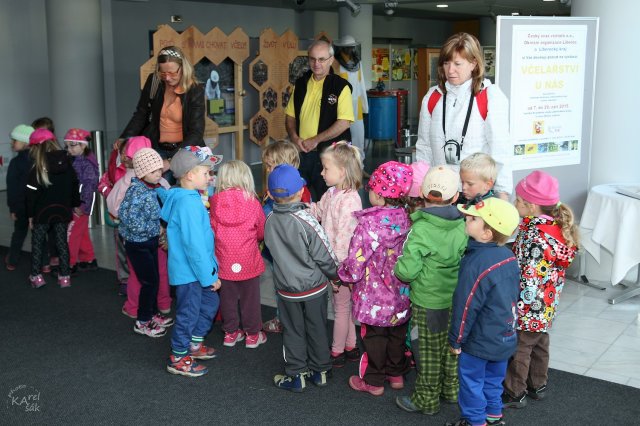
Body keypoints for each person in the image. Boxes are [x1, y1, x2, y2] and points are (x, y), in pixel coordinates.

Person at [394, 165, 468, 415]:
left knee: (428, 352)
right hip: (455, 299)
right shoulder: (463, 225)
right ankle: (451, 390)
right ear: (456, 197)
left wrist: (398, 265)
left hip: (428, 302)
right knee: (452, 346)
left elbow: (406, 271)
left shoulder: (422, 228)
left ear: (423, 195)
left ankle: (426, 399)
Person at [502, 171, 579, 408]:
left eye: (518, 201)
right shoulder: (555, 229)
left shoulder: (533, 234)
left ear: (532, 206)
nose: (515, 204)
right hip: (546, 305)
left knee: (520, 348)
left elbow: (526, 274)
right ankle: (538, 384)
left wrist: (511, 297)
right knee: (540, 341)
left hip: (528, 304)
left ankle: (515, 392)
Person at [338, 161, 413, 396]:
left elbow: (356, 258)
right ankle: (396, 373)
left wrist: (345, 275)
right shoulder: (406, 218)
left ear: (380, 195)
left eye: (371, 188)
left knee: (374, 338)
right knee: (397, 333)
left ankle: (374, 381)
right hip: (400, 294)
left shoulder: (368, 224)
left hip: (373, 297)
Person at [445, 197, 521, 426]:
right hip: (505, 336)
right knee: (493, 379)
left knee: (471, 381)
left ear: (487, 233)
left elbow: (465, 306)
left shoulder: (475, 263)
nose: (466, 219)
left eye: (471, 218)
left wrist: (456, 340)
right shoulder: (509, 256)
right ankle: (494, 414)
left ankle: (475, 421)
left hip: (478, 341)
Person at [264, 164, 338, 392]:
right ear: (300, 192)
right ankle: (321, 371)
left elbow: (269, 250)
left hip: (286, 289)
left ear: (269, 193)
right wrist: (335, 275)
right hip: (313, 288)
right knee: (317, 326)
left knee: (292, 330)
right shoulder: (306, 221)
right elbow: (324, 254)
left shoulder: (269, 220)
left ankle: (296, 375)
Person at [415, 32, 512, 199]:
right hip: (439, 191)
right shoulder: (432, 97)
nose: (450, 70)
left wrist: (502, 196)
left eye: (457, 64)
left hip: (477, 194)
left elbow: (500, 150)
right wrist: (420, 186)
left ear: (473, 63)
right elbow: (424, 147)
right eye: (446, 63)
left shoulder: (490, 96)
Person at [157, 146, 221, 377]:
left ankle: (193, 344)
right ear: (189, 175)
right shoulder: (188, 204)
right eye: (206, 172)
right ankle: (178, 356)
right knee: (189, 313)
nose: (210, 176)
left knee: (209, 305)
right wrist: (210, 277)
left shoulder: (187, 198)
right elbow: (194, 247)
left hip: (196, 270)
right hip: (190, 273)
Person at [308, 141, 363, 367]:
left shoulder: (350, 200)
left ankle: (337, 351)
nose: (321, 173)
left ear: (341, 172)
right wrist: (304, 207)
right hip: (335, 264)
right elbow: (319, 211)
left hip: (341, 266)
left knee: (341, 308)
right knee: (345, 307)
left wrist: (336, 271)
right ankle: (351, 345)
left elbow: (344, 240)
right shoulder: (331, 193)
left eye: (326, 169)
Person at [107, 136, 172, 319]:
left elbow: (112, 206)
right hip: (152, 237)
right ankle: (163, 304)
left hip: (144, 239)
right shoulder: (157, 184)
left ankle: (135, 308)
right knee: (159, 272)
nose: (158, 174)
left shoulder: (126, 183)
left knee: (140, 275)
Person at [119, 45, 205, 177]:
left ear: (183, 68)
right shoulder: (154, 82)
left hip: (184, 150)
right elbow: (141, 113)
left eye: (172, 73)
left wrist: (172, 160)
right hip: (158, 148)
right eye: (163, 72)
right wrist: (125, 138)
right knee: (158, 191)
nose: (167, 78)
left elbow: (196, 132)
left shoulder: (195, 90)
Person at [285, 39, 354, 200]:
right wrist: (295, 138)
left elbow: (344, 122)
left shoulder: (340, 86)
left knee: (329, 200)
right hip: (302, 153)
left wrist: (316, 140)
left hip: (331, 157)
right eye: (312, 59)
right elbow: (290, 116)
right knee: (302, 198)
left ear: (331, 60)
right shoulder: (300, 84)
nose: (316, 63)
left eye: (322, 59)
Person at [209, 160, 267, 349]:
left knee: (227, 298)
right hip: (247, 259)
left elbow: (211, 230)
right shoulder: (252, 202)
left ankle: (231, 333)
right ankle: (252, 334)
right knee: (250, 298)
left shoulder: (214, 203)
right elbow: (261, 230)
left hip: (224, 259)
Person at [118, 148, 174, 338]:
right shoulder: (136, 192)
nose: (158, 174)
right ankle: (142, 321)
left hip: (149, 242)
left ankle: (150, 313)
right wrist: (156, 229)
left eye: (160, 169)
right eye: (153, 171)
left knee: (154, 279)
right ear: (142, 173)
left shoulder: (151, 188)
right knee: (149, 282)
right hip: (138, 244)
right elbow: (132, 221)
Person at [260, 139, 312, 334]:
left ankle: (286, 321)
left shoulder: (291, 192)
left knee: (284, 287)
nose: (266, 170)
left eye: (269, 166)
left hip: (284, 250)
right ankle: (295, 319)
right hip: (285, 250)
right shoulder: (298, 187)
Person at [26, 128, 80, 288]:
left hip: (42, 213)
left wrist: (30, 215)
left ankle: (36, 277)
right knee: (62, 242)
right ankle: (65, 277)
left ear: (36, 148)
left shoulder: (37, 167)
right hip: (63, 211)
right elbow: (74, 185)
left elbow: (30, 195)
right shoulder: (67, 163)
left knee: (37, 243)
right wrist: (75, 204)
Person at [63, 128, 99, 274]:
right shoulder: (76, 160)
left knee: (71, 233)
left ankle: (69, 264)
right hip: (76, 203)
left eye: (73, 145)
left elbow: (89, 186)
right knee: (81, 232)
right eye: (67, 146)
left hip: (79, 205)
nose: (69, 149)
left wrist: (82, 204)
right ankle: (89, 259)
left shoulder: (87, 163)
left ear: (83, 145)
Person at [333, 35, 369, 165]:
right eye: (347, 47)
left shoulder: (358, 63)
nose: (350, 49)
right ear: (341, 48)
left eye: (351, 47)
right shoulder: (335, 63)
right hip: (342, 106)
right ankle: (343, 168)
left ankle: (360, 166)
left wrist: (365, 107)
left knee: (359, 137)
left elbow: (361, 84)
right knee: (342, 137)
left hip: (357, 106)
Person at [5, 124, 35, 271]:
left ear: (24, 142)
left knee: (19, 233)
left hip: (21, 206)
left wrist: (13, 208)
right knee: (39, 234)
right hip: (37, 205)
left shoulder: (15, 163)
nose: (11, 143)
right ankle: (44, 263)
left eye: (14, 140)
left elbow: (12, 188)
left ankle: (12, 260)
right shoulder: (38, 160)